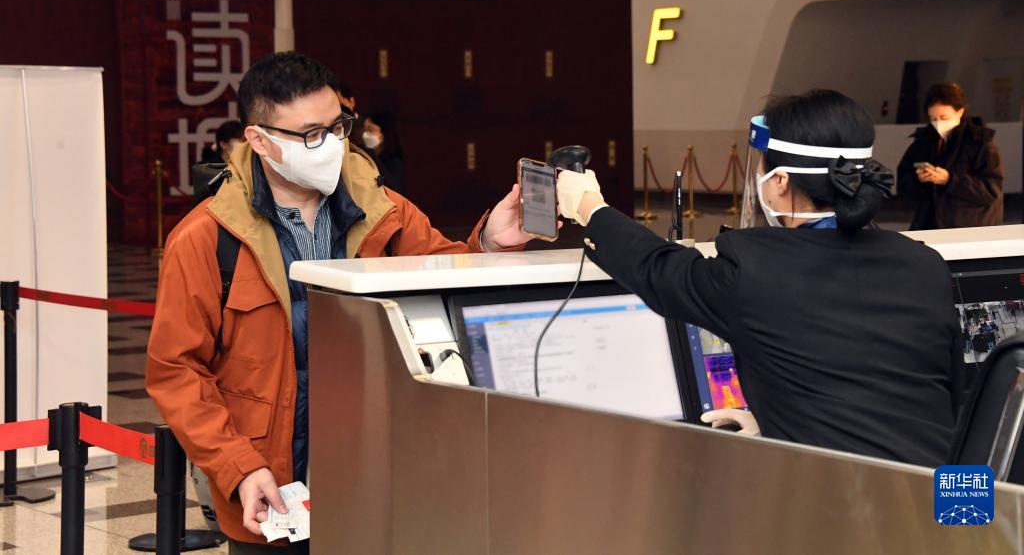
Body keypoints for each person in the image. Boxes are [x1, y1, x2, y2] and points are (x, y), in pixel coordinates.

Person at [146, 52, 534, 553]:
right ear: (259, 140)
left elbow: (444, 281)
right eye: (310, 134)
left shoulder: (384, 210)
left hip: (378, 472)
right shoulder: (206, 237)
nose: (330, 145)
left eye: (337, 127)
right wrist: (238, 467)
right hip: (271, 484)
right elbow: (176, 369)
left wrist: (489, 245)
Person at [556, 90, 964, 468]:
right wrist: (777, 423)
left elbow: (657, 269)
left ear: (781, 181)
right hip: (956, 502)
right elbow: (935, 400)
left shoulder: (757, 268)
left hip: (843, 508)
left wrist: (588, 205)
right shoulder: (923, 265)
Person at [897, 82, 1004, 230]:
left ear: (960, 112)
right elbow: (904, 183)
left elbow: (991, 191)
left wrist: (950, 180)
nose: (938, 123)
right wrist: (919, 180)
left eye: (944, 117)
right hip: (930, 225)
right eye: (933, 119)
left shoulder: (979, 142)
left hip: (969, 227)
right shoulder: (924, 141)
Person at [361, 111, 406, 194]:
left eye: (370, 130)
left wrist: (372, 155)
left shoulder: (395, 162)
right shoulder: (361, 157)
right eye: (364, 129)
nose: (365, 134)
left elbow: (393, 189)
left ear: (383, 135)